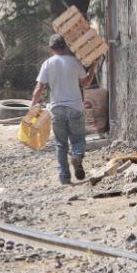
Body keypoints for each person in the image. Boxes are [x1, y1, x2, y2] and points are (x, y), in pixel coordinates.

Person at [30, 34, 99, 185]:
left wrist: (32, 108)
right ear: (65, 47)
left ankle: (64, 177)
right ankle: (77, 155)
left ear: (51, 49)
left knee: (61, 144)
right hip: (75, 107)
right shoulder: (74, 62)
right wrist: (93, 67)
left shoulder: (47, 64)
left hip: (57, 109)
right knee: (78, 139)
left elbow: (39, 88)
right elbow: (86, 83)